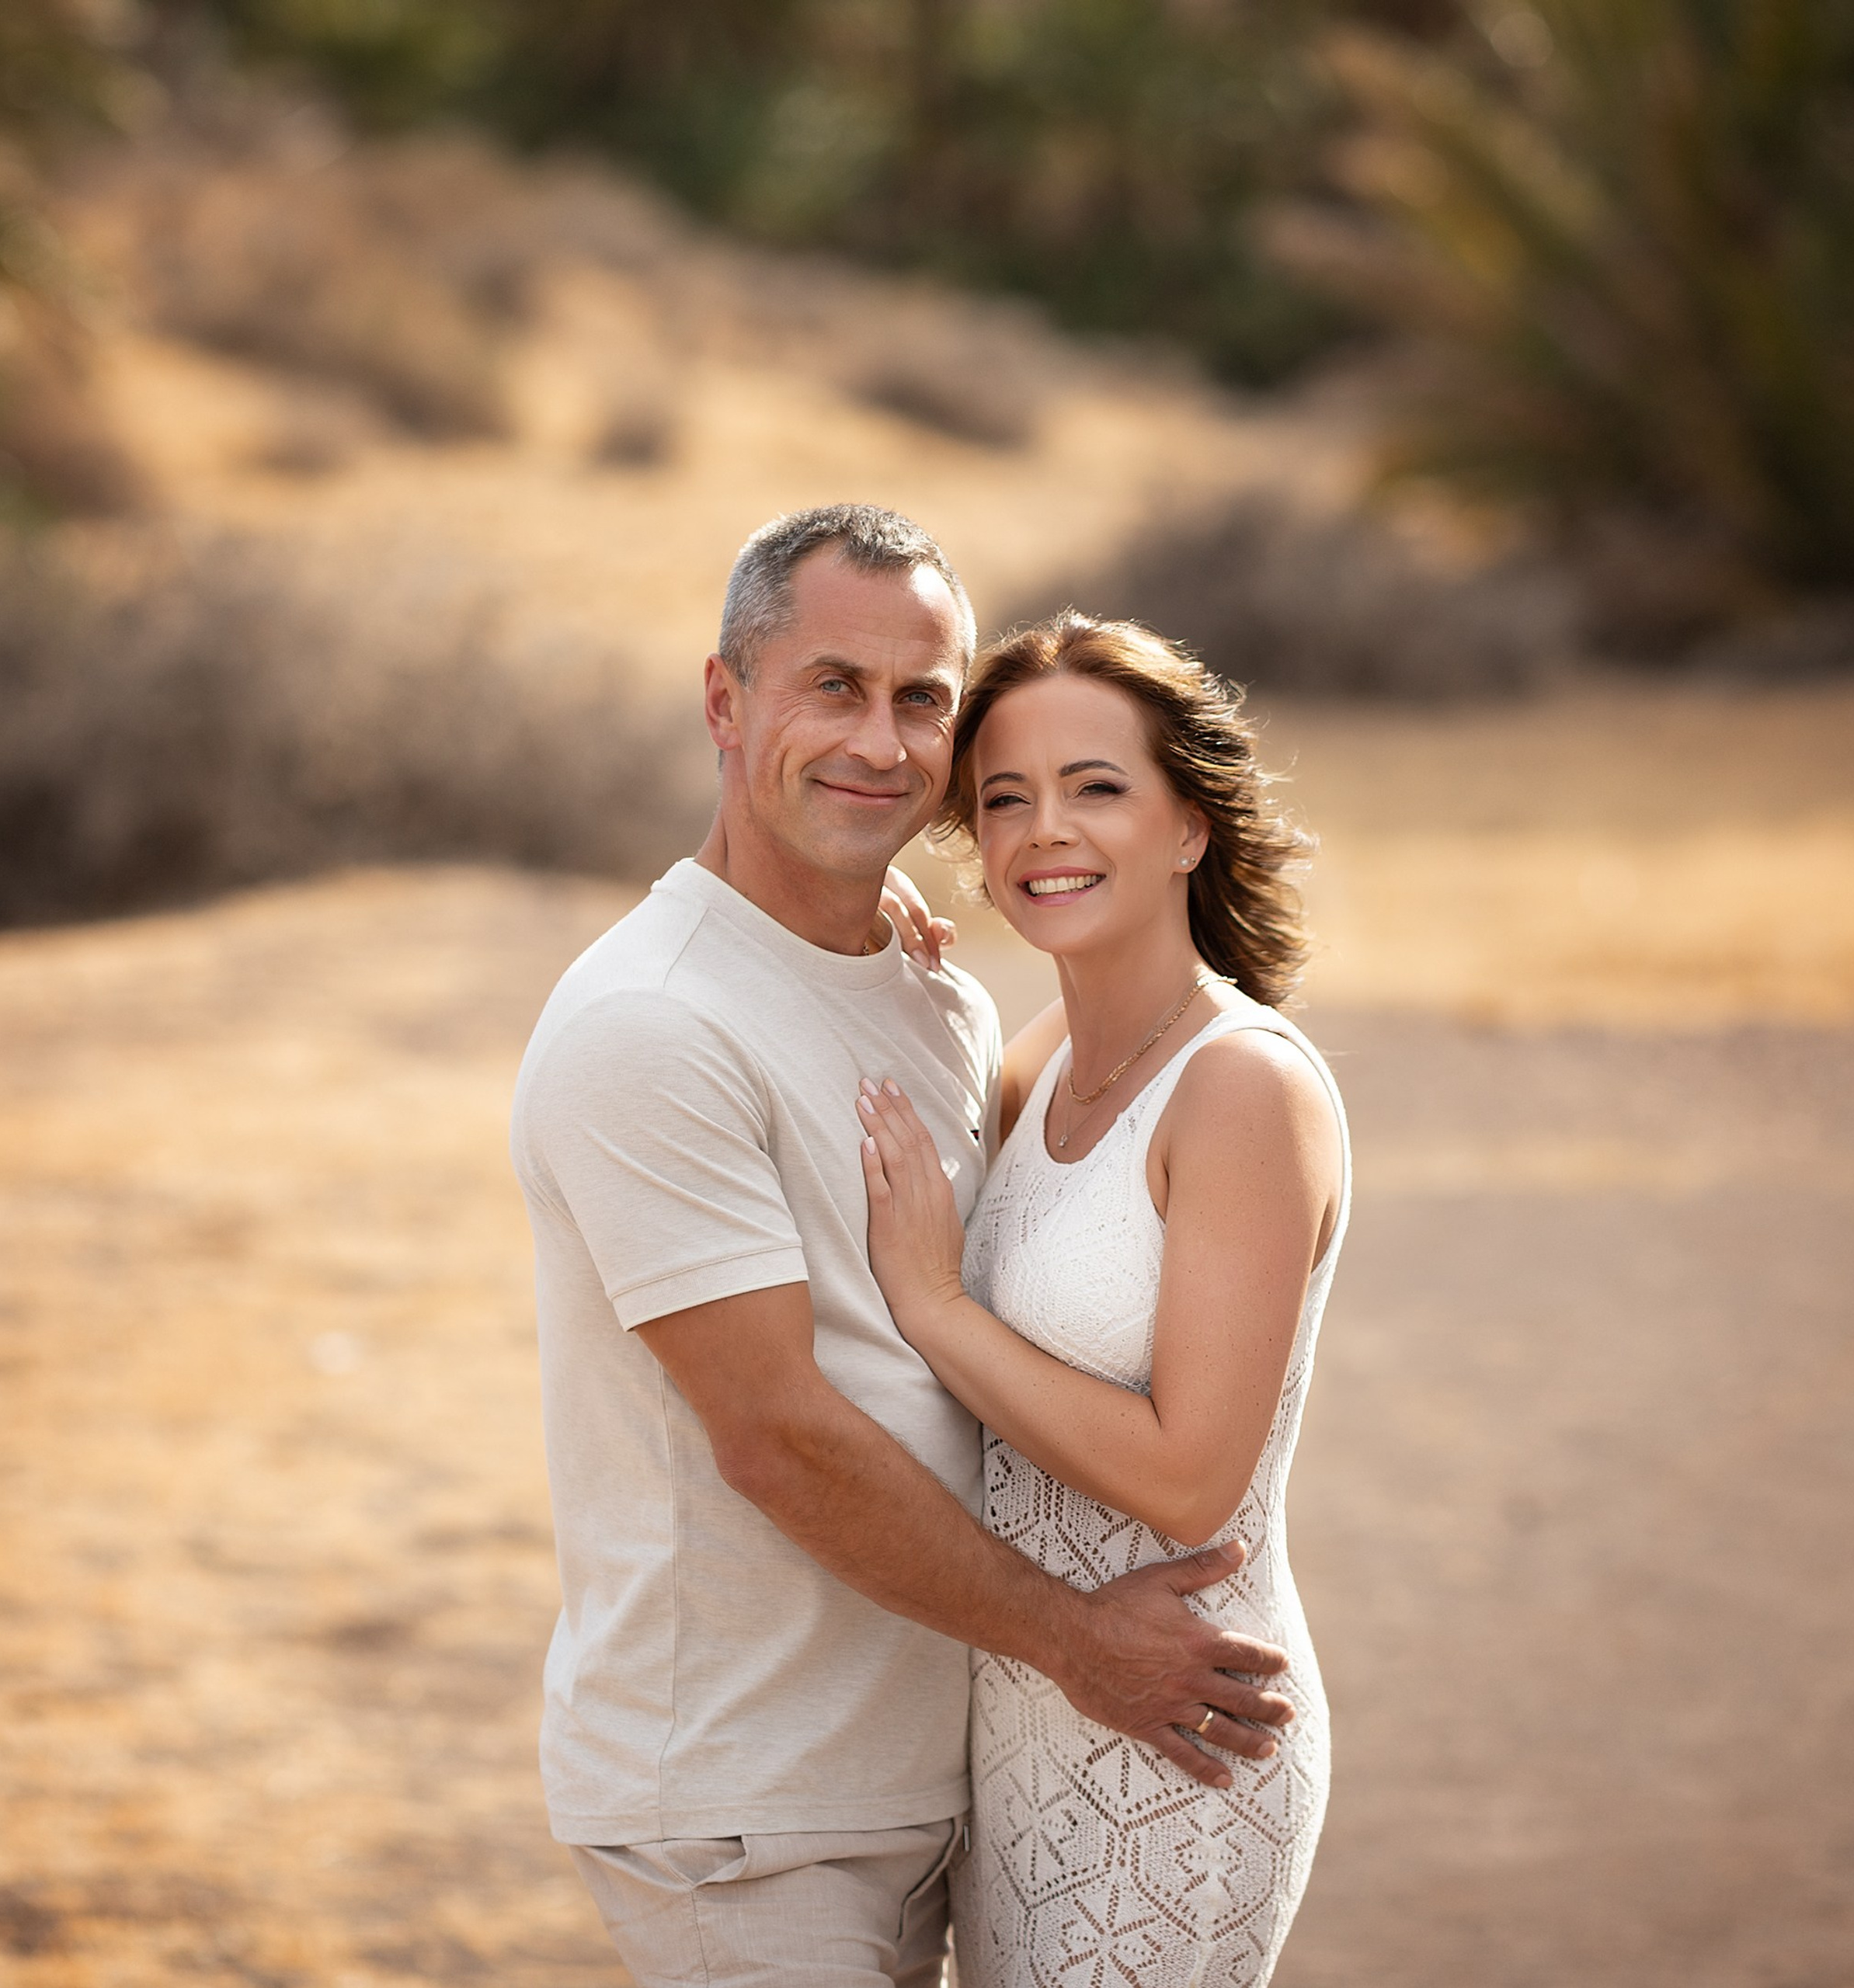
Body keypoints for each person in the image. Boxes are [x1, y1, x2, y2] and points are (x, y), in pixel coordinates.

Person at [510, 509, 1295, 1986]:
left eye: (922, 699)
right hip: (747, 1804)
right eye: (833, 687)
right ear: (725, 700)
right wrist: (1076, 1640)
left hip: (956, 1772)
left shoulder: (943, 1005)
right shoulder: (650, 1025)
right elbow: (777, 1436)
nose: (880, 742)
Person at [855, 610, 1348, 1986]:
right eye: (1005, 799)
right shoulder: (1041, 1059)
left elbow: (1191, 1479)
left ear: (1189, 824)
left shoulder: (1243, 1087)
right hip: (1019, 1718)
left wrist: (938, 1307)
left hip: (1182, 1741)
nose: (1044, 832)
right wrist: (864, 935)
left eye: (1095, 788)